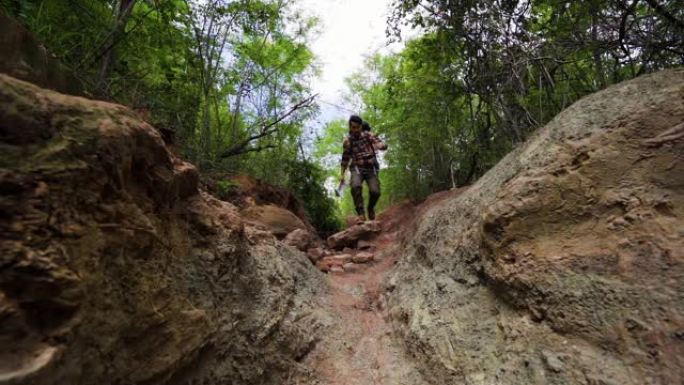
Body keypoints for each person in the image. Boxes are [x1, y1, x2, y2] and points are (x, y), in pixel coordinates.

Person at [340, 115, 387, 221]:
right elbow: (345, 160)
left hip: (371, 168)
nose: (355, 130)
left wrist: (381, 145)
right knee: (355, 186)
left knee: (375, 192)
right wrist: (342, 175)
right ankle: (361, 213)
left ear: (361, 127)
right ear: (350, 127)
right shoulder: (348, 141)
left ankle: (370, 208)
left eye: (357, 127)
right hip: (357, 168)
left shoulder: (367, 135)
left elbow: (378, 142)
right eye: (352, 127)